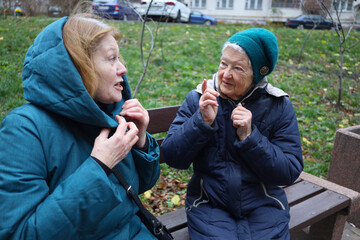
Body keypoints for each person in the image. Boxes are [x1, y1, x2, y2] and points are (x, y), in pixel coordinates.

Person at [0, 14, 160, 239]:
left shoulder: (108, 113)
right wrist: (99, 166)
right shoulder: (23, 131)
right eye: (111, 59)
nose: (123, 68)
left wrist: (141, 142)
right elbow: (21, 234)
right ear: (78, 67)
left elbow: (139, 187)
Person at [161, 28, 303, 239]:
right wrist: (202, 122)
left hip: (264, 204)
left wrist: (250, 137)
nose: (226, 74)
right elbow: (173, 156)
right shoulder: (199, 99)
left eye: (238, 68)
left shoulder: (278, 106)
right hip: (209, 204)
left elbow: (289, 170)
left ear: (257, 74)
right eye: (223, 63)